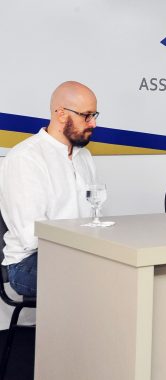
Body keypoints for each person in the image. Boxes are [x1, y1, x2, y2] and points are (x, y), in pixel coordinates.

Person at [0, 81, 99, 297]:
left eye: (95, 115)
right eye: (86, 115)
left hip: (77, 252)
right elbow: (32, 236)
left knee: (119, 270)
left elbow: (92, 217)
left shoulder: (84, 156)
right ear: (61, 114)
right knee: (103, 277)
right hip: (28, 263)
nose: (93, 123)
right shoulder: (26, 158)